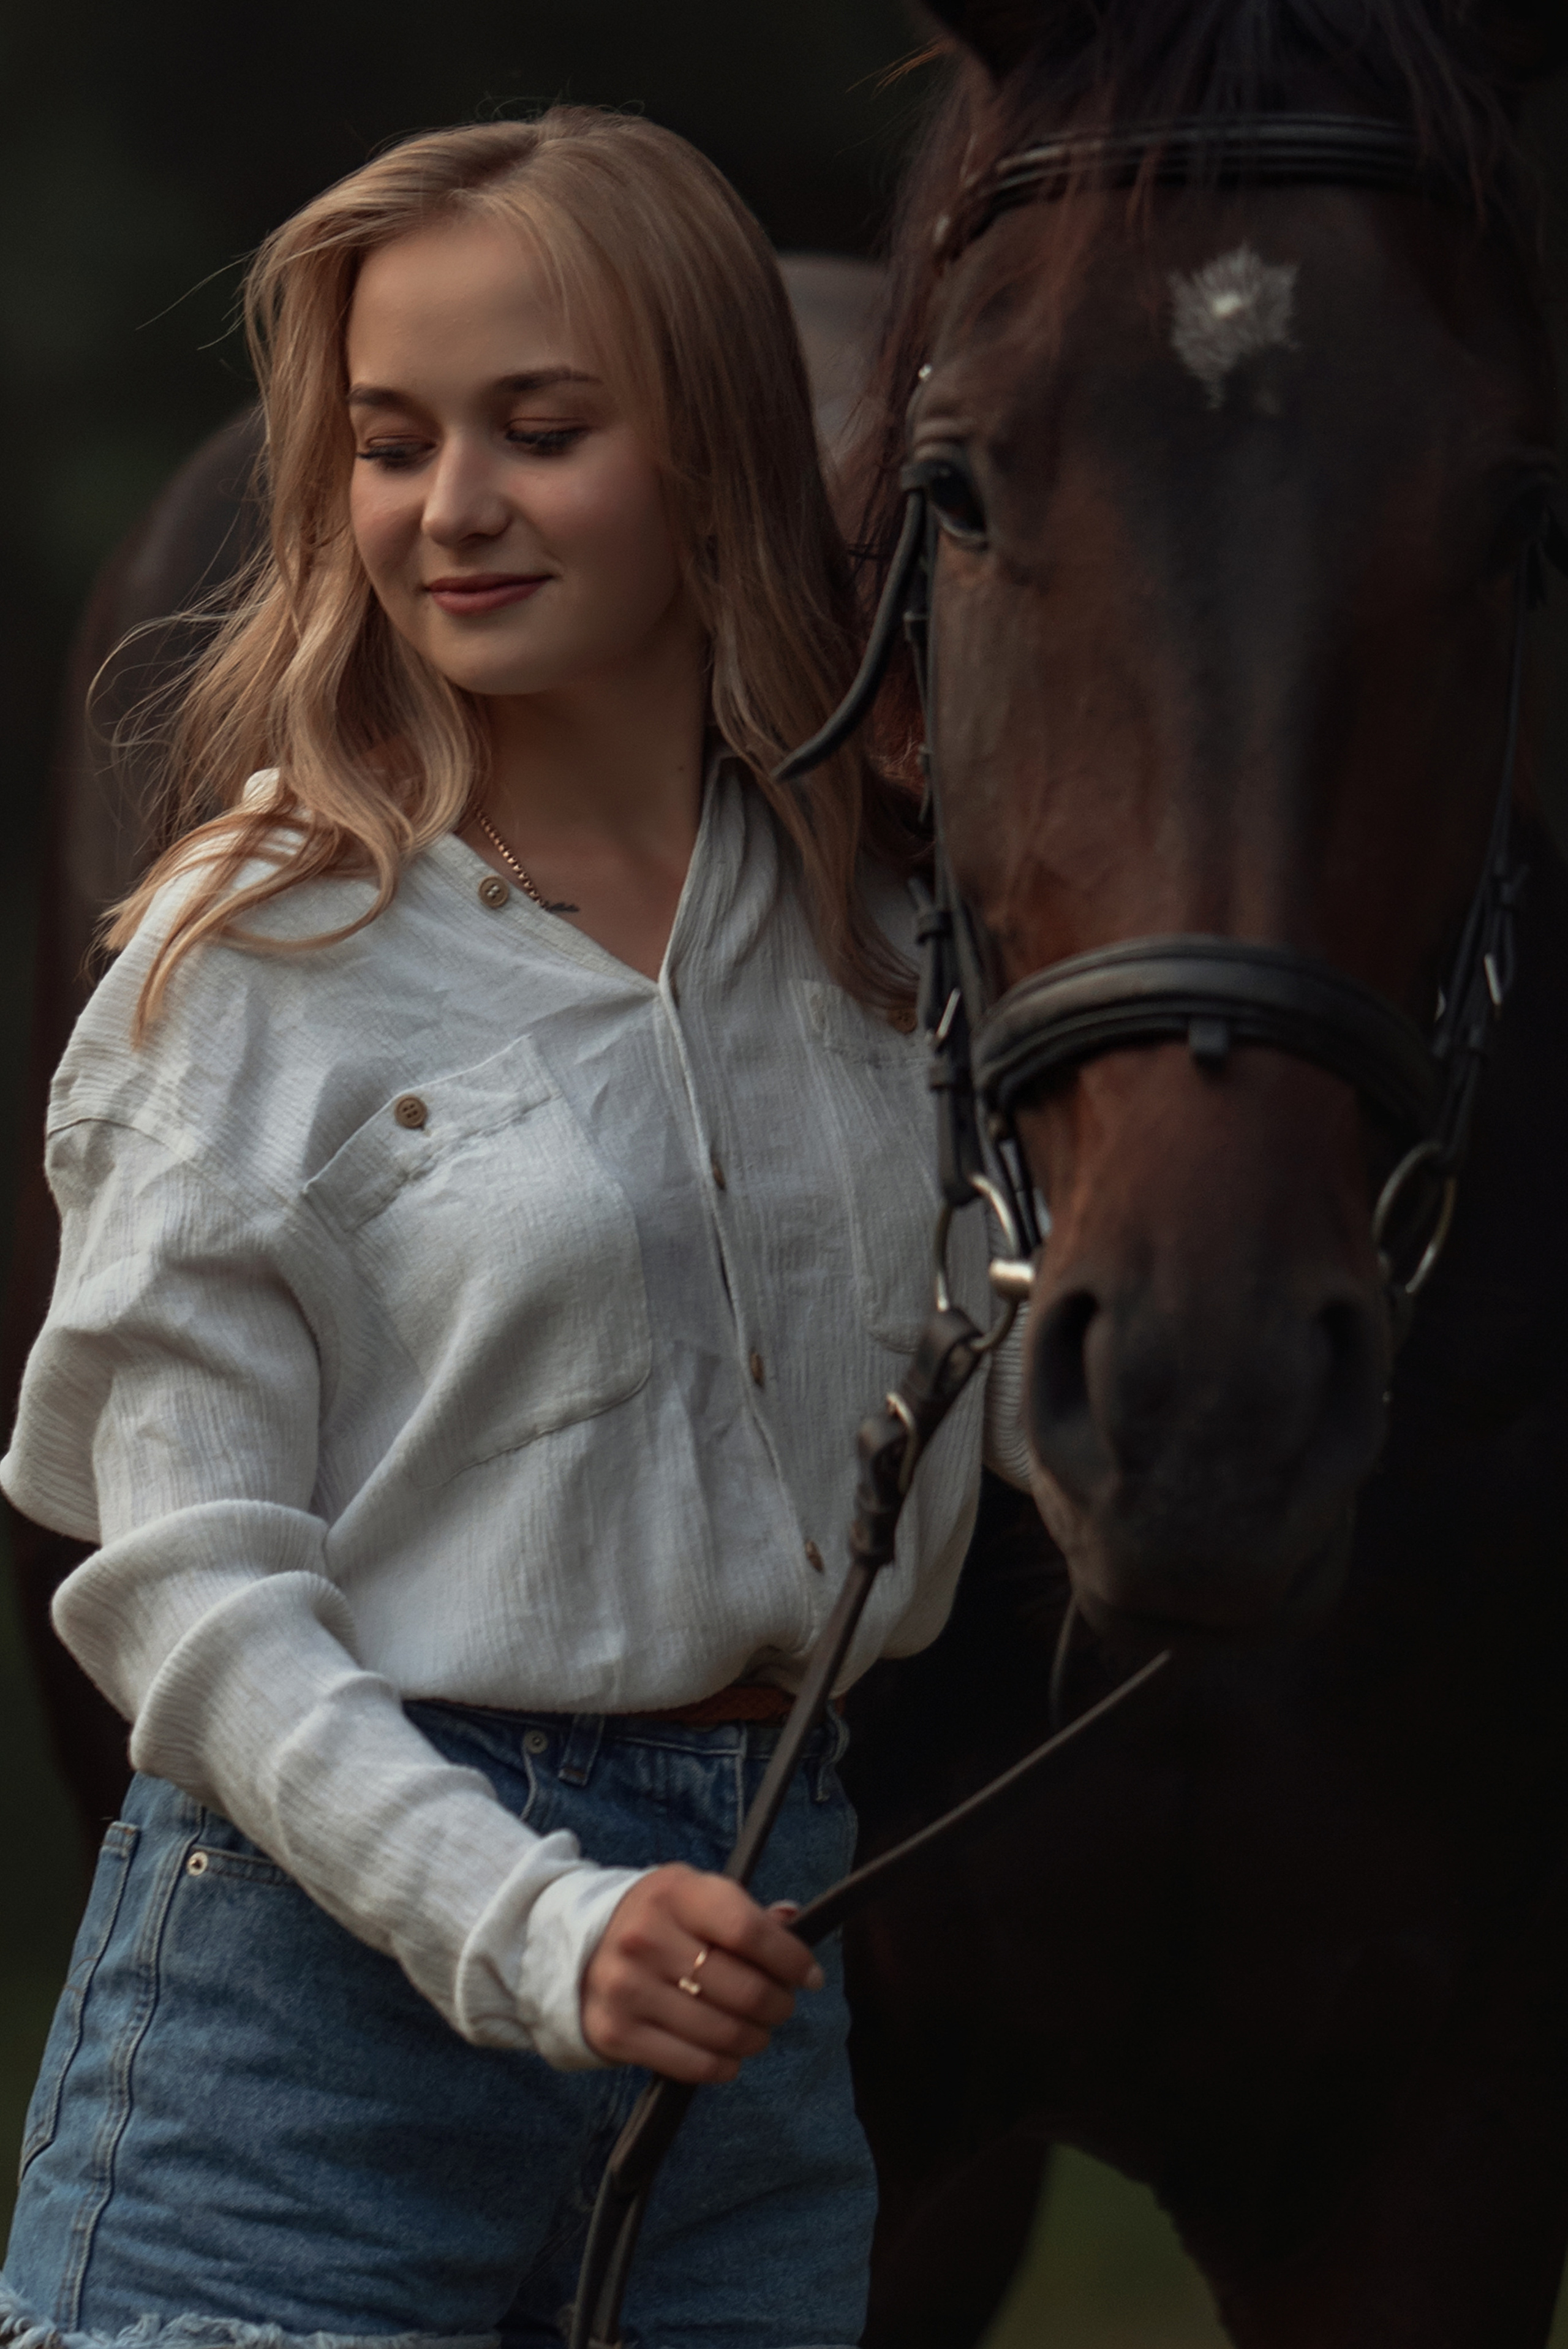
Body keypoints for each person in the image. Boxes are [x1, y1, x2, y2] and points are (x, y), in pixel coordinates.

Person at [0, 110, 1025, 2349]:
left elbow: (985, 1425)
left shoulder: (887, 944)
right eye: (389, 443)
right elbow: (182, 1588)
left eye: (539, 430)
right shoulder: (260, 954)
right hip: (300, 2045)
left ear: (720, 460)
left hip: (755, 2012)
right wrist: (537, 1918)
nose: (447, 509)